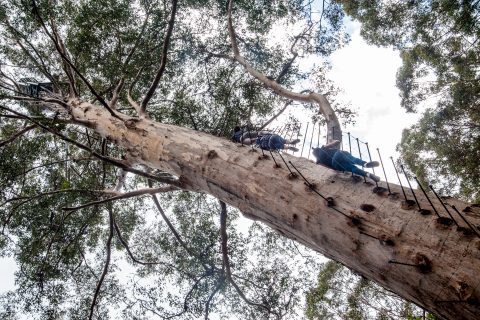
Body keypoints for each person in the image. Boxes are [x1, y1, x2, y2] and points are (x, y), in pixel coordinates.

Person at [312, 140, 381, 182]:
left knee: (351, 168)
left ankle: (367, 174)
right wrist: (331, 141)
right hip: (338, 155)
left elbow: (328, 168)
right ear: (318, 149)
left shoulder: (318, 162)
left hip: (336, 165)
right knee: (352, 159)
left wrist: (337, 170)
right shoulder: (322, 148)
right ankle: (365, 164)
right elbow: (337, 142)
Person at [231, 126, 300, 151]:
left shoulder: (234, 134)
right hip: (246, 133)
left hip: (241, 139)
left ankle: (288, 148)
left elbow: (232, 139)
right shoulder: (242, 130)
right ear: (239, 128)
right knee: (259, 133)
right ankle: (290, 142)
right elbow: (246, 128)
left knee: (253, 141)